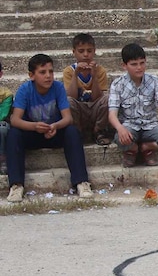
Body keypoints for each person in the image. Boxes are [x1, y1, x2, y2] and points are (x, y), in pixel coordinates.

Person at [5, 53, 93, 202]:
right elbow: (15, 120)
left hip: (53, 132)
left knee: (72, 131)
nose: (48, 76)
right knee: (13, 134)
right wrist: (34, 126)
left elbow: (68, 118)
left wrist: (55, 126)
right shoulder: (25, 90)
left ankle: (81, 182)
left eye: (51, 72)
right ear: (31, 75)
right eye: (42, 72)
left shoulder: (58, 87)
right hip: (32, 133)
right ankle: (16, 185)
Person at [108, 43, 158, 167]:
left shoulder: (155, 81)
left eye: (142, 63)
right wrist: (120, 128)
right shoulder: (117, 84)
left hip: (150, 125)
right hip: (129, 126)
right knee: (120, 138)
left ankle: (147, 147)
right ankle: (133, 148)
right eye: (134, 64)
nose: (139, 67)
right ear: (124, 66)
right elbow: (112, 114)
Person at [62, 33, 112, 145]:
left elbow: (97, 97)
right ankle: (78, 132)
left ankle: (99, 131)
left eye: (89, 51)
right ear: (74, 52)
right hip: (80, 109)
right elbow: (72, 96)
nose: (86, 55)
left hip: (95, 108)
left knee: (108, 99)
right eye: (81, 51)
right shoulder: (69, 71)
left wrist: (94, 76)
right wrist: (76, 74)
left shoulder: (100, 70)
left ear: (94, 51)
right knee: (68, 101)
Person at [0, 59, 12, 174]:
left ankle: (2, 159)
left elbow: (3, 114)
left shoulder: (6, 94)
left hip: (0, 122)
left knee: (3, 128)